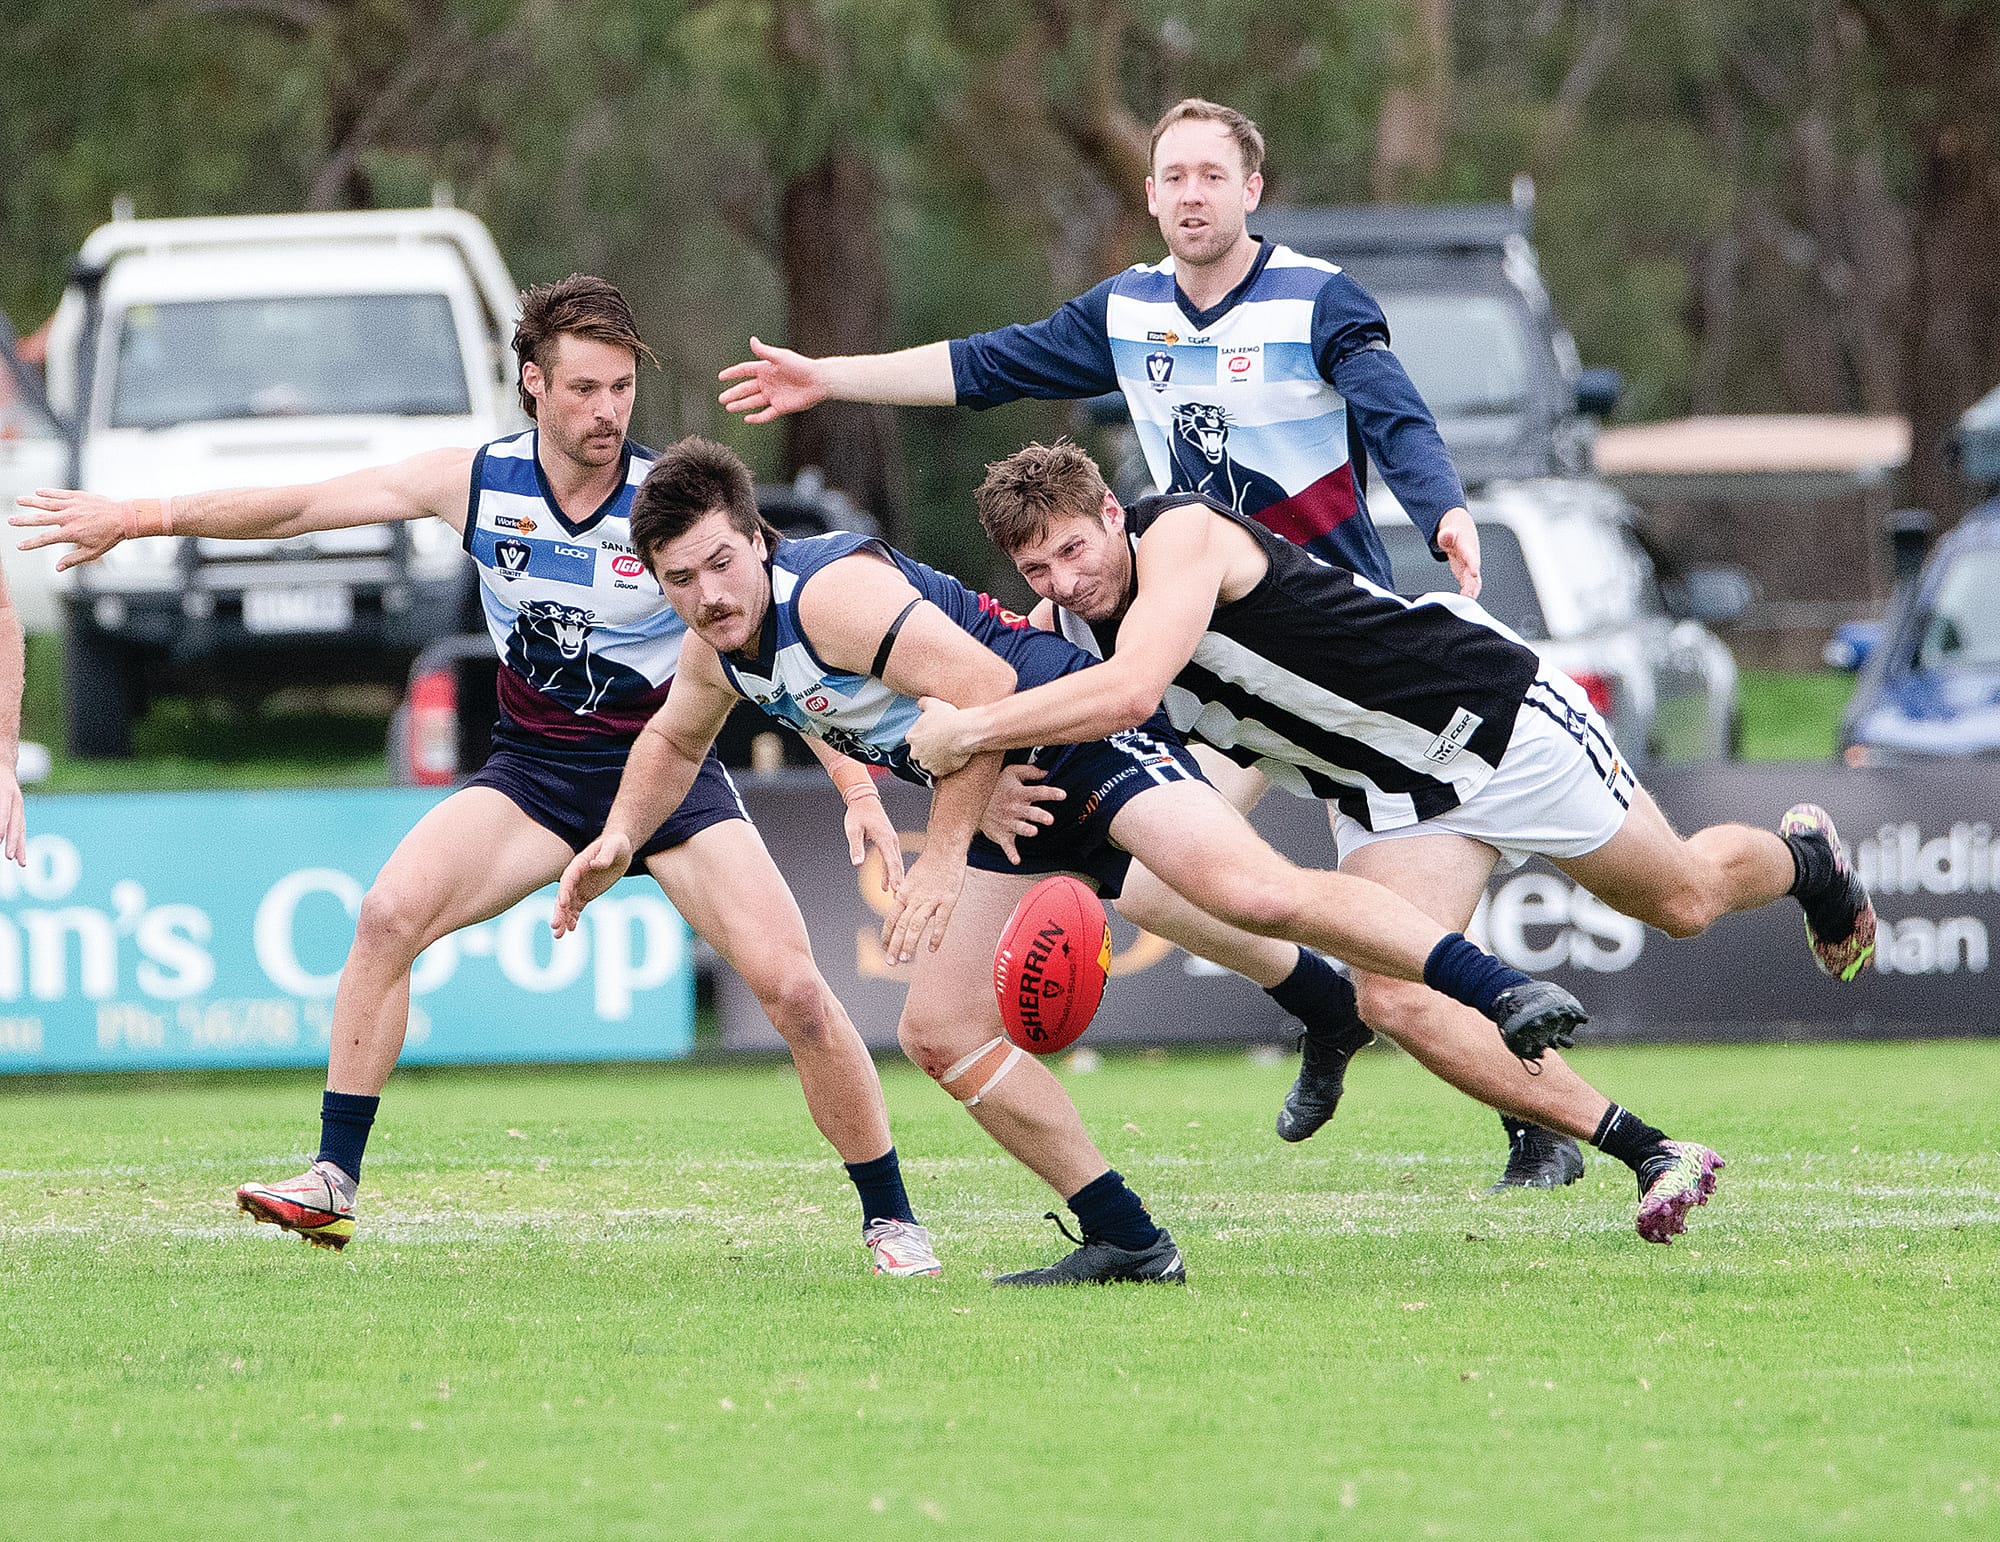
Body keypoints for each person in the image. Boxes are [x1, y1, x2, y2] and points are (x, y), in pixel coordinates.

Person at [714, 95, 1585, 1185]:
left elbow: (1390, 409)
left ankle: (1538, 1106)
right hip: (1186, 664)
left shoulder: (1315, 297)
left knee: (1411, 944)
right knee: (1165, 886)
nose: (1189, 194)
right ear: (1150, 195)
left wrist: (1439, 502)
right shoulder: (1129, 312)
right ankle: (1320, 1006)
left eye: (1210, 176)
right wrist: (827, 376)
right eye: (1171, 177)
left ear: (1249, 189)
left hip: (1327, 668)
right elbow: (987, 365)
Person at [11, 276, 944, 1278]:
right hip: (535, 777)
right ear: (534, 385)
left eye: (622, 386)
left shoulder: (669, 503)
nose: (606, 409)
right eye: (584, 387)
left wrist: (854, 795)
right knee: (384, 918)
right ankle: (330, 1184)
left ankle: (889, 1217)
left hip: (667, 781)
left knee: (797, 992)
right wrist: (141, 514)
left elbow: (779, 630)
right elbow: (304, 506)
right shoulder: (477, 482)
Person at [551, 437, 1623, 1289]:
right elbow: (671, 741)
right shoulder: (710, 647)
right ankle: (1129, 1239)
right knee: (938, 1031)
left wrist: (944, 854)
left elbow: (978, 695)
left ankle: (1499, 989)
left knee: (1243, 889)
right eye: (680, 579)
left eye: (722, 564)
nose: (706, 593)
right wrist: (612, 840)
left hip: (1067, 731)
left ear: (759, 540)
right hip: (1008, 787)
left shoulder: (829, 596)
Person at [904, 440, 1882, 1237]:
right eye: (1037, 569)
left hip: (1489, 720)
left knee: (1680, 903)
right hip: (1386, 792)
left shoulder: (1181, 537)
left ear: (1112, 515)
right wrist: (965, 781)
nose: (1063, 582)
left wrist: (973, 731)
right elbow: (958, 684)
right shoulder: (1059, 625)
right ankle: (1648, 1150)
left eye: (1073, 550)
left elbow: (1126, 692)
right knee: (1395, 998)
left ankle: (1809, 863)